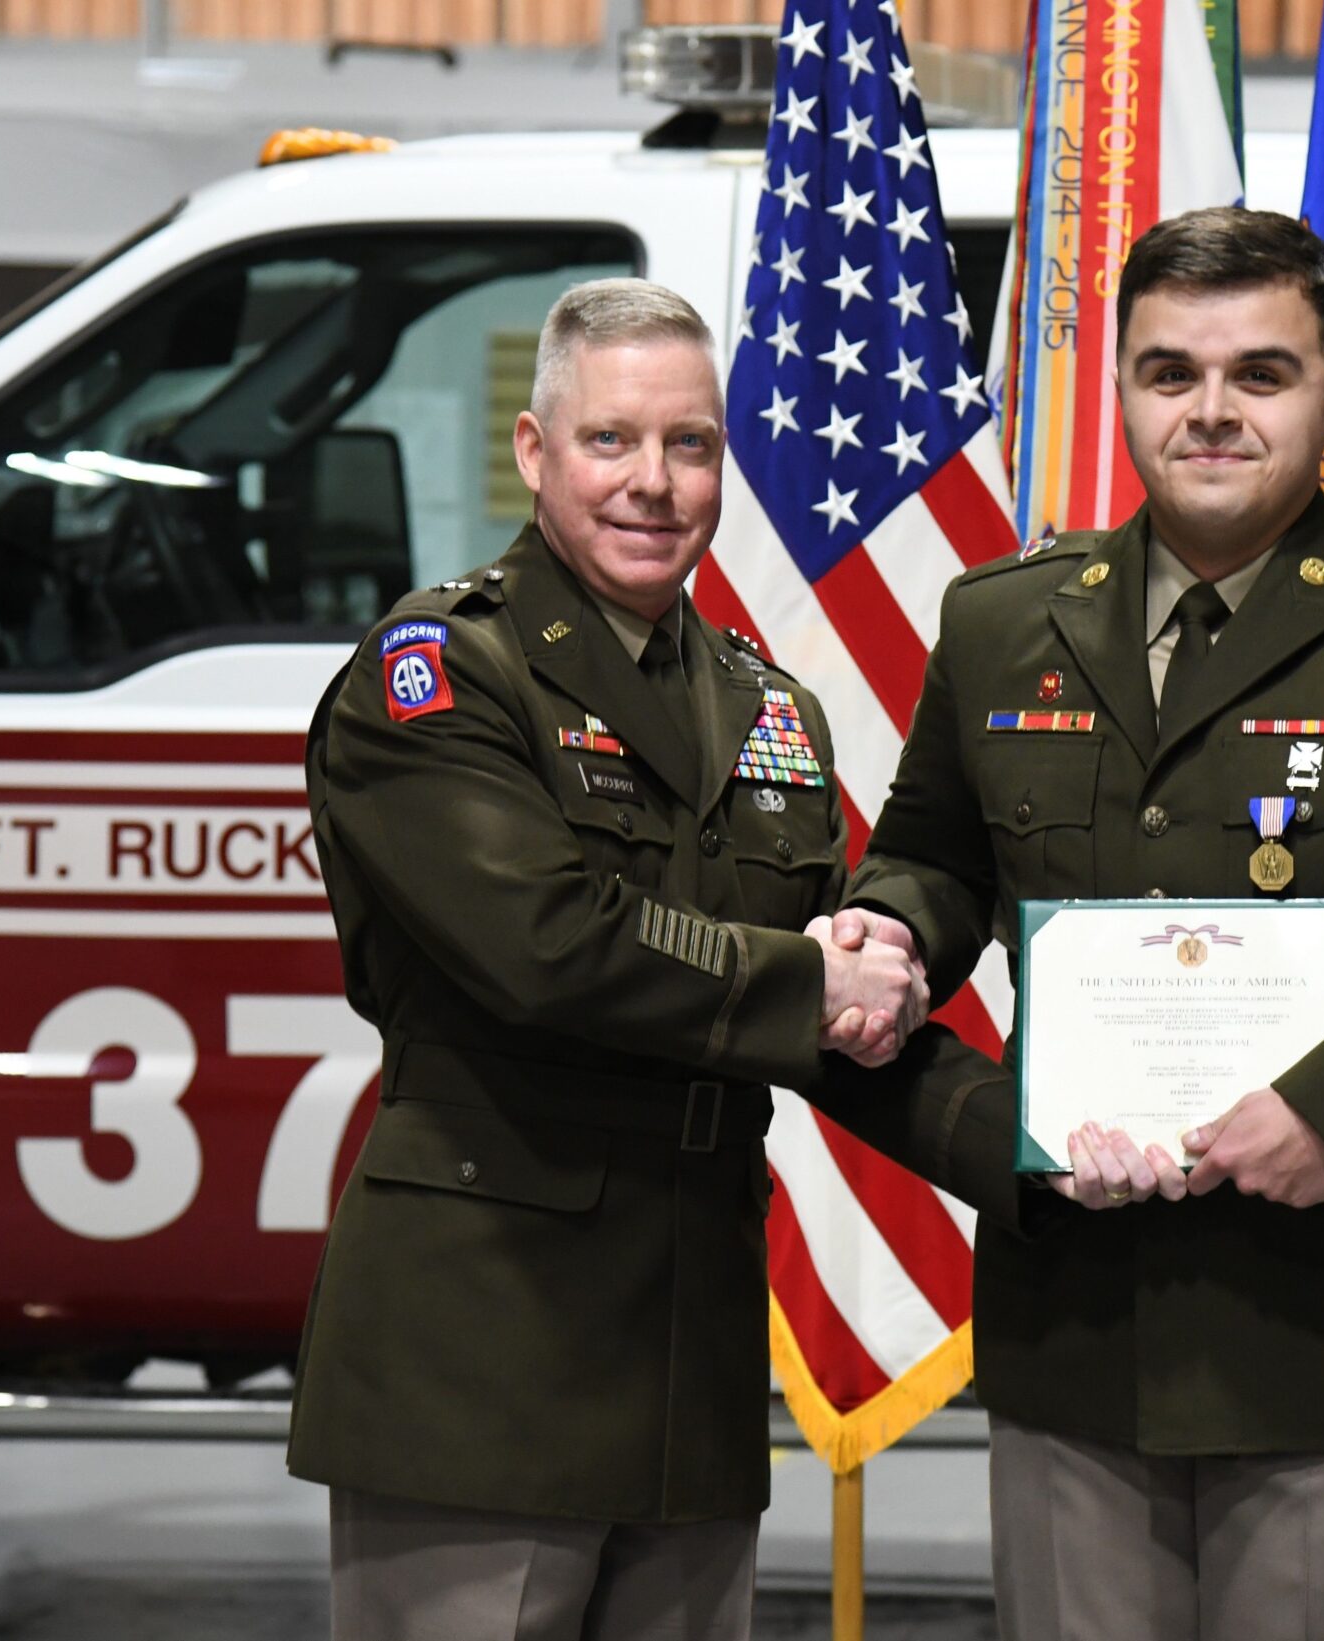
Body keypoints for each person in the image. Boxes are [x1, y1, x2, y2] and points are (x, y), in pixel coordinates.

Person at [839, 208, 1324, 1639]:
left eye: (1260, 374)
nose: (1211, 410)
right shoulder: (1000, 624)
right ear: (1125, 390)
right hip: (1075, 1311)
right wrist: (890, 933)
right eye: (1170, 372)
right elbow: (934, 858)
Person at [286, 278, 1021, 1641]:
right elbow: (551, 946)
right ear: (534, 450)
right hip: (485, 1341)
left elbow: (829, 1015)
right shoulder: (440, 676)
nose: (655, 483)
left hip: (686, 1347)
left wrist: (1037, 1152)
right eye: (612, 441)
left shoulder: (765, 707)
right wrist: (821, 983)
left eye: (690, 445)